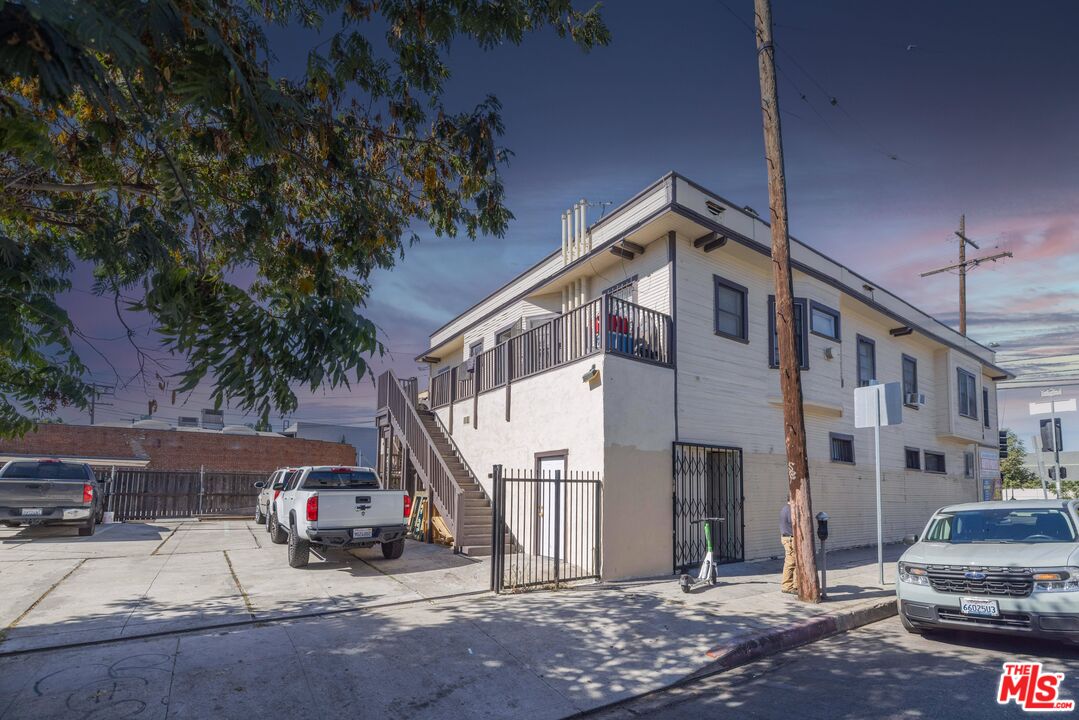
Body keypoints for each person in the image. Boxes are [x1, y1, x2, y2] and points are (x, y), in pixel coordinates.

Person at [780, 496, 798, 595]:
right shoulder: (789, 510)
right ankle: (787, 586)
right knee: (790, 563)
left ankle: (795, 585)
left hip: (788, 538)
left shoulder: (785, 508)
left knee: (795, 563)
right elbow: (795, 523)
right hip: (790, 539)